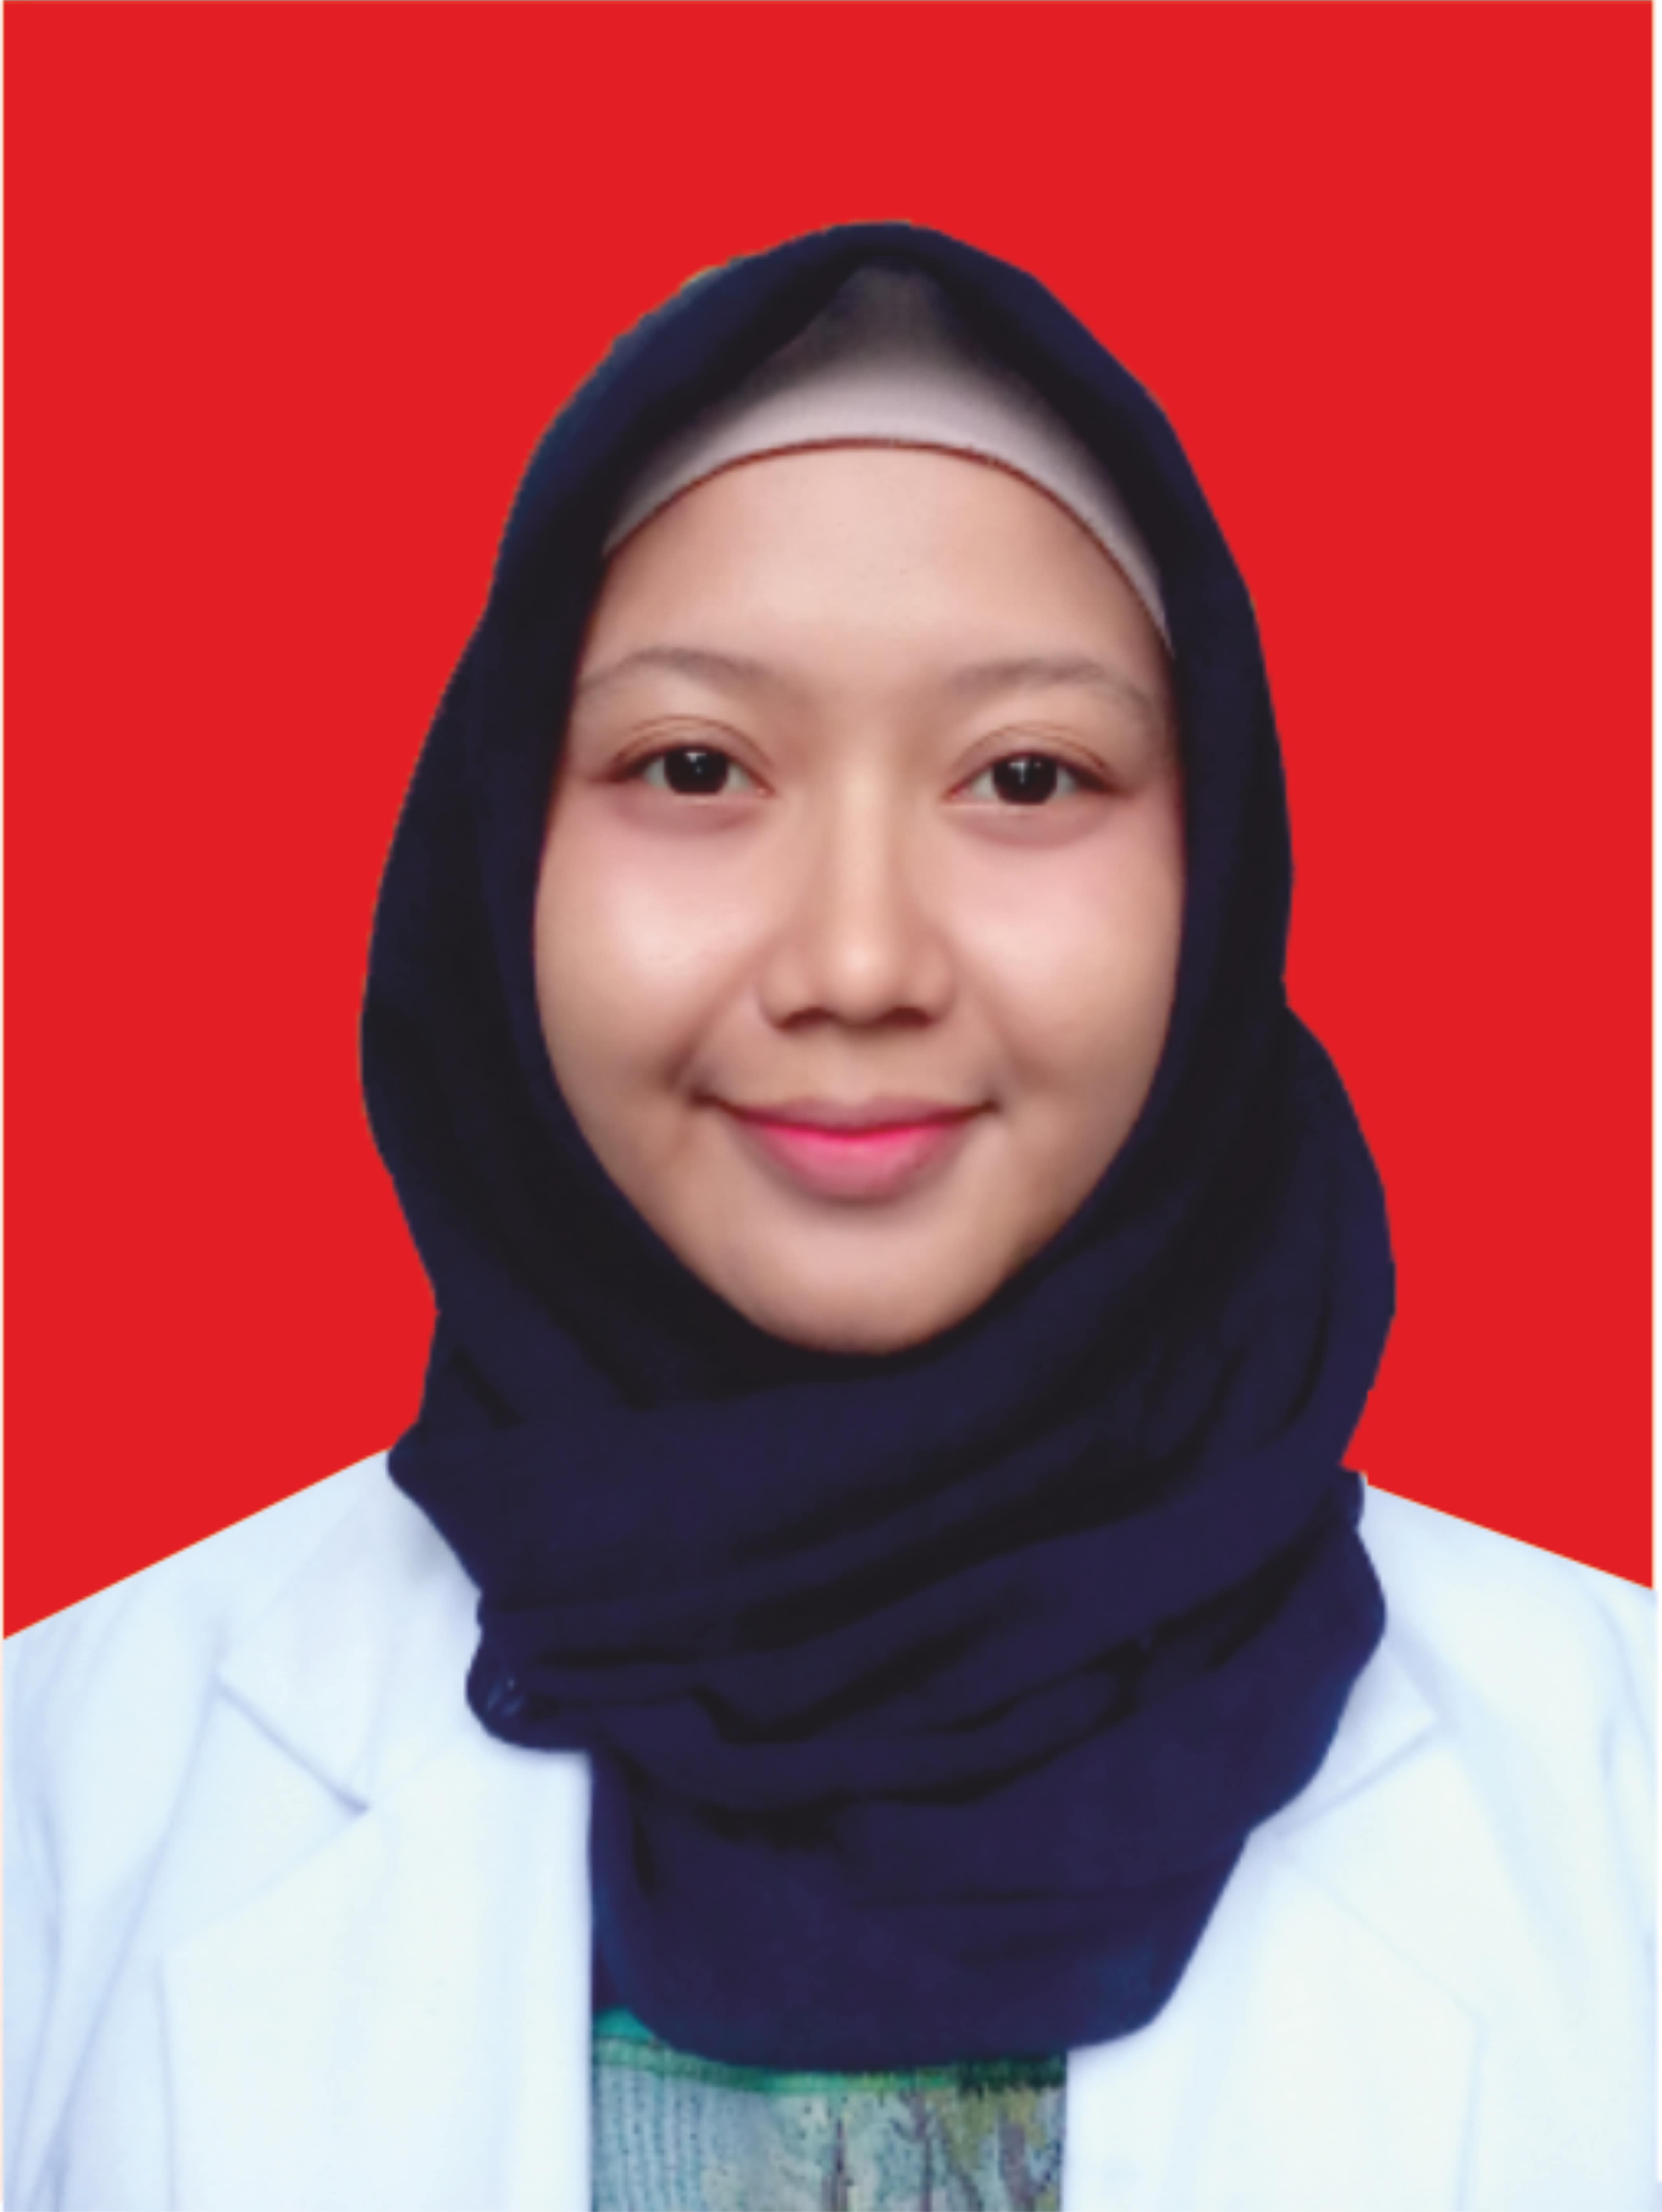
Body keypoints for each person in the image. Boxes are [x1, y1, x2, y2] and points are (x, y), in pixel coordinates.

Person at [5, 225, 1654, 2212]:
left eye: (1026, 777)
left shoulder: (1618, 1796)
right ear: (503, 850)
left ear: (1213, 879)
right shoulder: (68, 1800)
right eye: (696, 766)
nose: (859, 961)